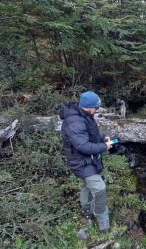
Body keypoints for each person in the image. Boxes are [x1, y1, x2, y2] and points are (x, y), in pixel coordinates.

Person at [59, 91, 113, 232]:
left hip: (87, 160)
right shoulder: (74, 121)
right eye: (96, 107)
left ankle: (86, 211)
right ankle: (102, 219)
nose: (97, 110)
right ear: (89, 107)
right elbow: (82, 146)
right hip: (81, 162)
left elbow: (90, 134)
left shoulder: (85, 115)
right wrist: (104, 147)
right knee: (100, 188)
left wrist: (103, 137)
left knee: (85, 186)